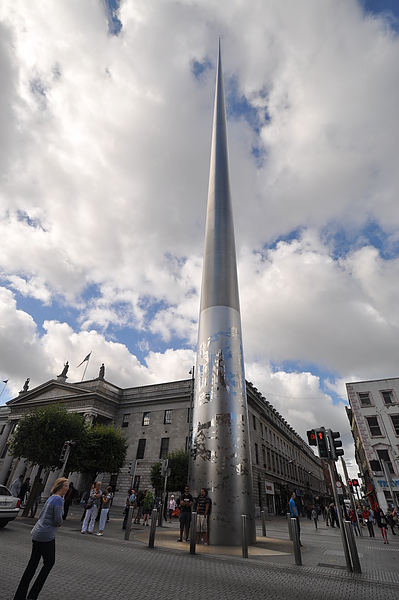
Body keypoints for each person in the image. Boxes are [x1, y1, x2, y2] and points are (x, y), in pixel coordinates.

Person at [13, 477, 69, 600]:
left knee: (32, 564)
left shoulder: (51, 497)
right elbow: (57, 520)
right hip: (47, 535)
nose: (67, 488)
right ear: (60, 486)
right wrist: (60, 522)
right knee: (49, 563)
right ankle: (33, 595)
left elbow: (42, 515)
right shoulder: (59, 500)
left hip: (37, 533)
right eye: (65, 485)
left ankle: (19, 596)